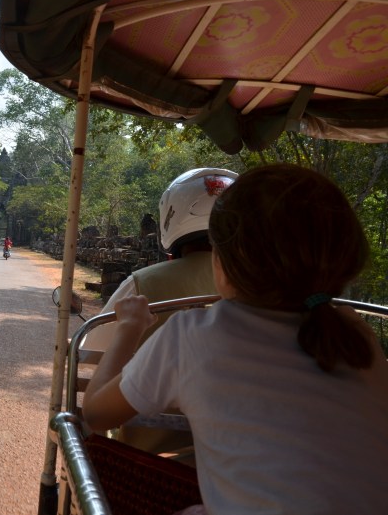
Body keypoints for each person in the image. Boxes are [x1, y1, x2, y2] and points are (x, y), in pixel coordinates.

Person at [82, 164, 388, 514]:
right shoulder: (358, 335)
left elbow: (96, 414)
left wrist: (129, 327)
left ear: (225, 262)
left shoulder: (193, 332)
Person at [81, 168, 237, 455]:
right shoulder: (273, 307)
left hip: (151, 464)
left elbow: (93, 354)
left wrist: (129, 330)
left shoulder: (144, 284)